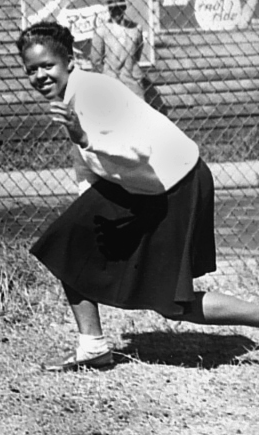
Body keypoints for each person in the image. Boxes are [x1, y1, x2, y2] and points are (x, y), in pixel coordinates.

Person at [19, 20, 259, 370]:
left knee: (171, 303)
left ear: (69, 61)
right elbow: (88, 166)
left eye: (47, 66)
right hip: (141, 184)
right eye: (31, 70)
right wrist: (88, 212)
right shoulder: (72, 94)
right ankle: (93, 346)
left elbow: (134, 153)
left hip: (176, 183)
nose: (39, 75)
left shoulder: (95, 94)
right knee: (69, 239)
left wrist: (83, 137)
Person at [87, 0, 146, 99]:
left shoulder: (136, 29)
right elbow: (96, 61)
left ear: (124, 8)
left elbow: (137, 54)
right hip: (110, 82)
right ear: (109, 10)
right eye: (113, 9)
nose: (116, 12)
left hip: (132, 82)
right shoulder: (101, 31)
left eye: (119, 8)